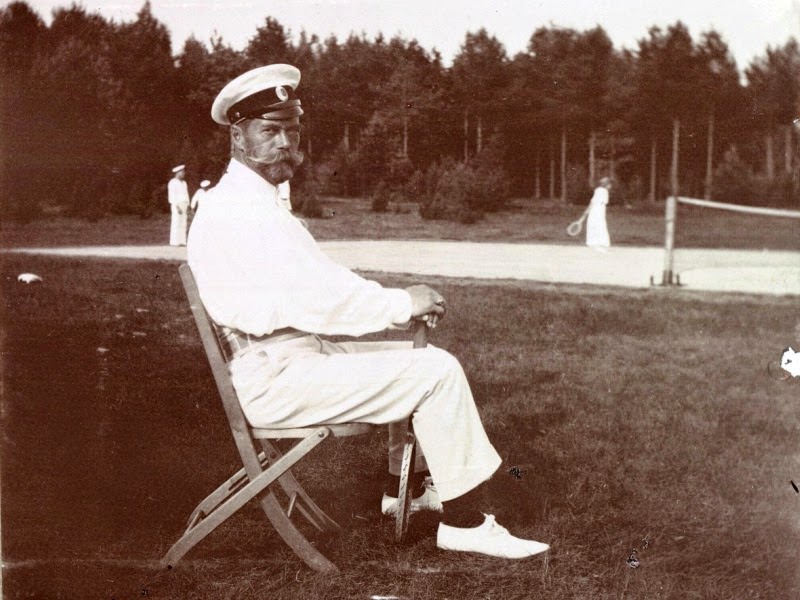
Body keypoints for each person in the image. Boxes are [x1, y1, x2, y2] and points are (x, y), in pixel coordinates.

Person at [187, 64, 549, 559]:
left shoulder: (254, 203)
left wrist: (398, 307)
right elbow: (312, 298)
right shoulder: (238, 211)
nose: (284, 144)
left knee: (416, 360)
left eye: (291, 131)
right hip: (274, 378)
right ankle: (464, 524)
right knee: (436, 371)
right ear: (238, 136)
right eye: (269, 131)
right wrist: (401, 304)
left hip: (289, 358)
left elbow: (324, 281)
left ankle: (403, 490)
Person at [585, 176, 612, 251]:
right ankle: (601, 242)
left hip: (597, 209)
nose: (610, 186)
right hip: (598, 209)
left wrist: (588, 210)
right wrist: (588, 209)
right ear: (606, 184)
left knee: (593, 224)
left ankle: (593, 242)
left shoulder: (599, 190)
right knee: (599, 225)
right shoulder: (602, 191)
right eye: (609, 184)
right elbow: (595, 201)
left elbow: (593, 201)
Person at [168, 165, 190, 246]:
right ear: (177, 173)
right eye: (182, 172)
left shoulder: (184, 183)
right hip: (177, 204)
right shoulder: (172, 182)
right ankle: (175, 242)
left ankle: (182, 241)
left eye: (184, 172)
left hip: (184, 204)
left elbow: (186, 194)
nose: (183, 174)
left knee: (183, 223)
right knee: (176, 222)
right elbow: (172, 196)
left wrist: (188, 205)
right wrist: (177, 207)